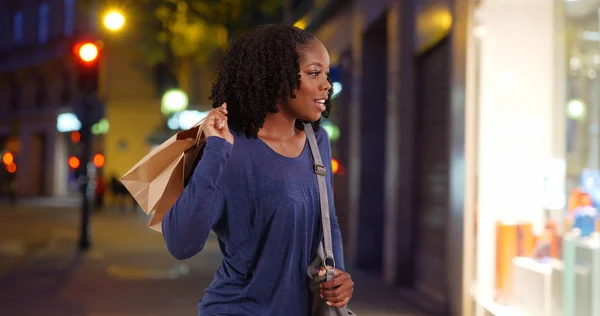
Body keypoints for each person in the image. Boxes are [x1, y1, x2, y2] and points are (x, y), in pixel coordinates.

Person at [162, 24, 354, 315]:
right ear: (278, 78)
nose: (326, 84)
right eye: (314, 73)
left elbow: (329, 221)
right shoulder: (228, 148)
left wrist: (337, 275)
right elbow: (181, 244)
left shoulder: (318, 142)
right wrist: (215, 153)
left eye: (327, 74)